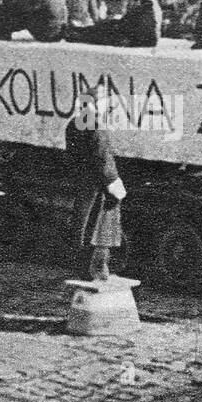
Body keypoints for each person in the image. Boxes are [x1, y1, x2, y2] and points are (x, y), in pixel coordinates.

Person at [66, 93, 128, 282]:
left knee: (81, 222)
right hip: (96, 182)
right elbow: (102, 158)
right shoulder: (95, 125)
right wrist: (114, 184)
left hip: (83, 178)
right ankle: (90, 268)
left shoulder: (74, 123)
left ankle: (80, 266)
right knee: (94, 226)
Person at [67, 0, 159, 47]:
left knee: (102, 33)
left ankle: (77, 33)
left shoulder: (145, 6)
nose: (132, 1)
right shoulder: (151, 3)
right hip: (146, 38)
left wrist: (112, 22)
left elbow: (127, 23)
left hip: (139, 39)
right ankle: (79, 31)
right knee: (104, 27)